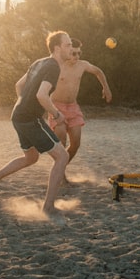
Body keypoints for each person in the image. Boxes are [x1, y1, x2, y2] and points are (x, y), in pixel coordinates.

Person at [0, 30, 74, 218]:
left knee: (31, 157)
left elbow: (18, 85)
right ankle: (48, 207)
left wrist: (23, 104)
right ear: (57, 48)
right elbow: (41, 95)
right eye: (68, 45)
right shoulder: (54, 66)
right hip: (29, 118)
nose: (71, 49)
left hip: (18, 114)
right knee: (62, 157)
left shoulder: (39, 62)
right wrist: (56, 114)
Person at [47, 38, 113, 183]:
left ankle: (60, 167)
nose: (77, 56)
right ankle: (60, 173)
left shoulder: (82, 65)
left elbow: (98, 72)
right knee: (61, 141)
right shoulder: (57, 66)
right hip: (56, 107)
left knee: (76, 143)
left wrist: (106, 88)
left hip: (73, 107)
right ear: (67, 53)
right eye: (73, 53)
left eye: (79, 53)